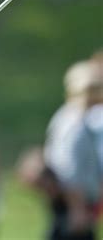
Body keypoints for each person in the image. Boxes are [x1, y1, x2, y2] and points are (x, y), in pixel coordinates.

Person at [17, 57, 102, 240]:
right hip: (72, 202)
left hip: (75, 200)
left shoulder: (75, 117)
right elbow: (68, 170)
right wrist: (76, 208)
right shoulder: (74, 123)